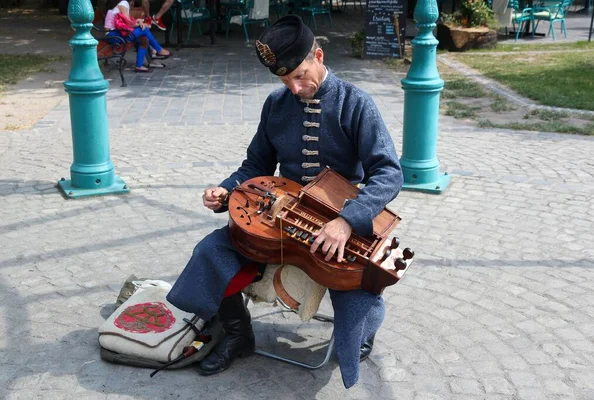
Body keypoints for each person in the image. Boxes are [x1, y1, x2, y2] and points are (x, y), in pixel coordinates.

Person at [166, 15, 404, 388]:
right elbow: (256, 164)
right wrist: (227, 191)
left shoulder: (356, 103)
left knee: (356, 279)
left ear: (319, 57)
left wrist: (347, 220)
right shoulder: (276, 105)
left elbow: (389, 172)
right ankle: (237, 334)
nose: (294, 88)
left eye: (300, 76)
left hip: (339, 217)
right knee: (212, 252)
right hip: (276, 216)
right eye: (284, 80)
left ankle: (359, 333)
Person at [104, 0, 172, 72]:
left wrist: (139, 21)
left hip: (116, 35)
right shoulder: (124, 3)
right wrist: (143, 24)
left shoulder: (120, 4)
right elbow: (128, 24)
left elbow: (127, 21)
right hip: (114, 37)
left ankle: (139, 66)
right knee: (144, 29)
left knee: (144, 40)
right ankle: (159, 50)